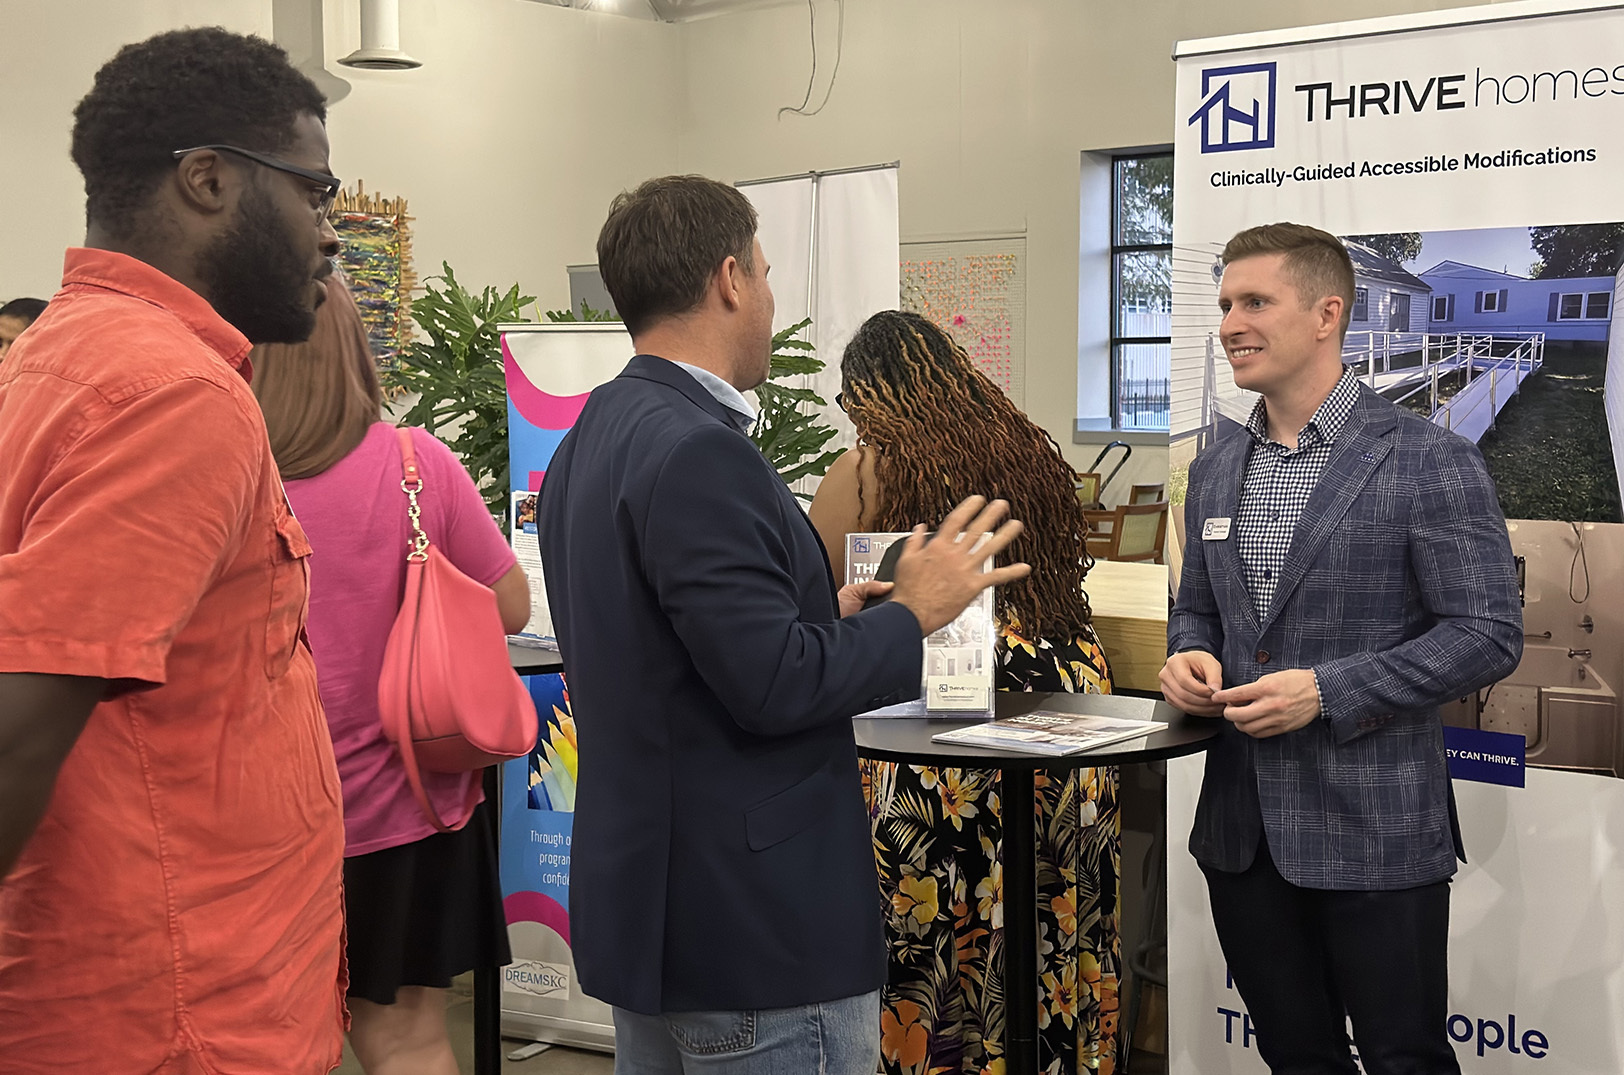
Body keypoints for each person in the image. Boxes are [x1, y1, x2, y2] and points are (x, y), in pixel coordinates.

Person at [537, 174, 1031, 1074]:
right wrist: (919, 610)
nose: (769, 297)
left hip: (657, 914)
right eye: (765, 274)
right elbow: (773, 686)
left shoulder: (593, 434)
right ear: (730, 278)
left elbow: (671, 648)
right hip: (753, 931)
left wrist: (822, 615)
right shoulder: (698, 450)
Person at [0, 29, 348, 1073]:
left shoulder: (58, 356)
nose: (331, 235)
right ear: (208, 181)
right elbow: (18, 722)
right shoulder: (175, 395)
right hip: (170, 1016)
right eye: (317, 193)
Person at [1161, 222, 1522, 1075]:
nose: (1230, 323)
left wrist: (1326, 690)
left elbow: (1487, 632)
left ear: (1328, 314)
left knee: (1404, 1060)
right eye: (1224, 304)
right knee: (1296, 1056)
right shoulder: (1215, 466)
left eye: (1255, 301)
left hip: (1376, 825)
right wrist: (1189, 657)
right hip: (1242, 832)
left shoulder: (1428, 458)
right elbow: (1198, 609)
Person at [808, 308, 1117, 1075]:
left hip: (946, 702)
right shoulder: (1025, 451)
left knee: (945, 913)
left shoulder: (863, 472)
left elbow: (813, 594)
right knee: (1051, 895)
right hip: (1064, 696)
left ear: (865, 399)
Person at [252, 273, 530, 1075]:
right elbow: (509, 605)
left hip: (273, 817)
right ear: (355, 354)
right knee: (406, 1040)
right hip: (413, 810)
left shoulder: (237, 480)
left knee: (267, 1042)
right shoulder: (420, 467)